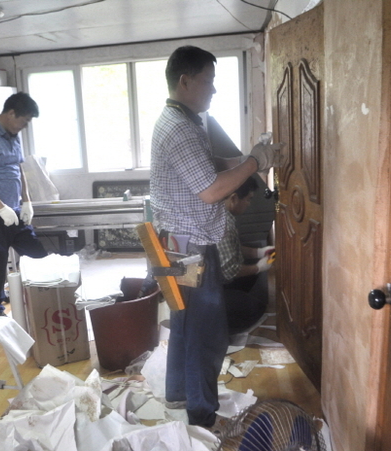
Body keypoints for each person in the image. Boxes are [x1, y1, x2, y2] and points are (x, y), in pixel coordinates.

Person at [150, 45, 282, 429]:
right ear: (185, 81)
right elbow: (210, 190)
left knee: (185, 325)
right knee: (207, 335)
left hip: (178, 244)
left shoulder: (182, 120)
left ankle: (179, 394)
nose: (213, 89)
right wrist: (255, 163)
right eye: (208, 81)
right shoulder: (180, 128)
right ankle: (202, 417)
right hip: (192, 248)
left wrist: (248, 158)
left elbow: (208, 166)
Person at [0, 92, 47, 317]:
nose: (25, 126)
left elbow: (18, 169)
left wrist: (27, 200)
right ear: (11, 113)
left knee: (37, 254)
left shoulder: (14, 136)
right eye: (24, 121)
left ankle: (44, 294)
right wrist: (0, 207)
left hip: (15, 210)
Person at [218, 176, 274, 334]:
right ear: (234, 198)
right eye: (248, 199)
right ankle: (221, 328)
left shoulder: (222, 214)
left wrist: (258, 252)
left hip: (215, 281)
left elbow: (232, 247)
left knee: (251, 277)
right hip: (211, 289)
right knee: (257, 309)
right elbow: (229, 271)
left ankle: (232, 303)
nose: (249, 204)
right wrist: (258, 267)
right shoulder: (224, 225)